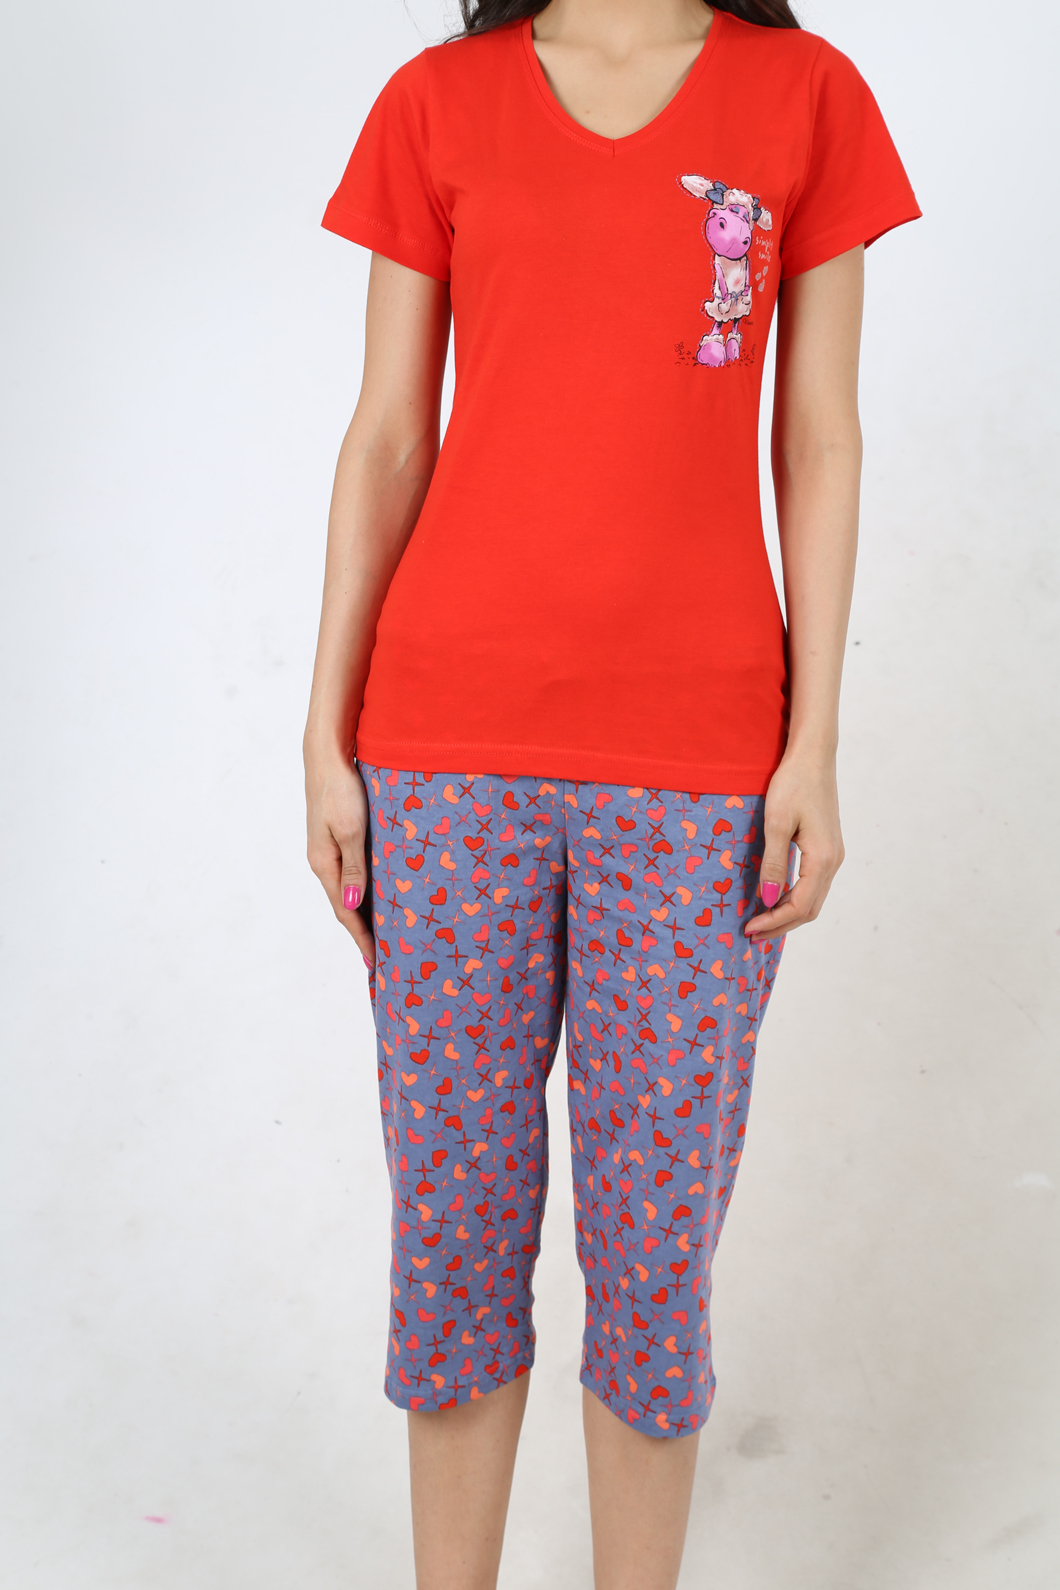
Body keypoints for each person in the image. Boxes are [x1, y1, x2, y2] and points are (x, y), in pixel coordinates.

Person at [303, 0, 919, 1583]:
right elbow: (388, 436)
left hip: (700, 772)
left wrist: (815, 743)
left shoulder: (807, 95)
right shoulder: (438, 101)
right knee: (454, 1246)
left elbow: (821, 439)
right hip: (445, 757)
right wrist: (325, 730)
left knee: (654, 1269)